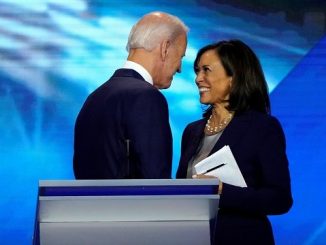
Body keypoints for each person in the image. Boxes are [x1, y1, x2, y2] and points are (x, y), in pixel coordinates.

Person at [176, 40, 293, 244]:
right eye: (197, 71)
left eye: (206, 70)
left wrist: (221, 191)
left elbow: (280, 199)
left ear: (234, 76)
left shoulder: (262, 127)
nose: (198, 79)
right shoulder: (192, 131)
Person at [73, 12, 188, 179]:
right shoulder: (147, 97)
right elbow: (156, 181)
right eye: (181, 56)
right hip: (134, 205)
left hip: (92, 205)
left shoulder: (94, 98)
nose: (179, 68)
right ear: (165, 48)